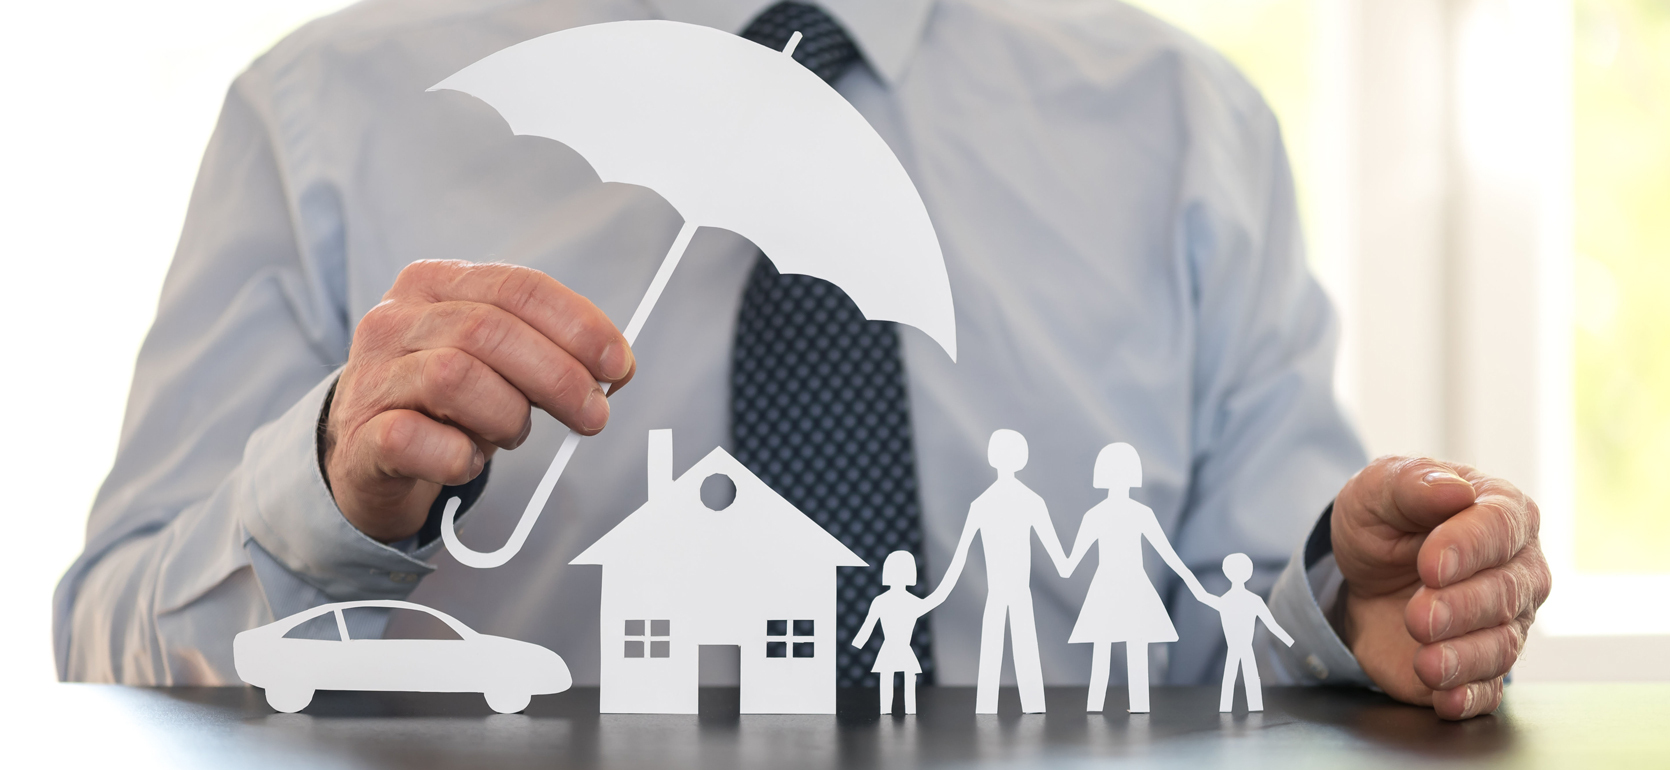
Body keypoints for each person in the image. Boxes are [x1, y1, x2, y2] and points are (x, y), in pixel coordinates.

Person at [54, 0, 1548, 721]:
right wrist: (325, 489)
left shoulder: (1184, 128)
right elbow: (107, 653)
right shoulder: (329, 112)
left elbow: (1254, 651)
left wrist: (1357, 610)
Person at [926, 430, 1069, 714]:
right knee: (1019, 650)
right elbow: (1062, 562)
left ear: (993, 457)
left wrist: (932, 599)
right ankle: (1024, 706)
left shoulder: (984, 504)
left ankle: (1001, 707)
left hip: (1003, 593)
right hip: (1011, 593)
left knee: (994, 652)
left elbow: (958, 560)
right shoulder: (1028, 502)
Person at [1061, 442, 1209, 714]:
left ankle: (1100, 707)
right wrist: (1195, 586)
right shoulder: (1138, 514)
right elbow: (1169, 556)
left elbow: (1068, 564)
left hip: (1116, 587)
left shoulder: (1098, 515)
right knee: (1131, 650)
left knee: (1107, 652)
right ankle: (1129, 706)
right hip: (1126, 587)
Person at [1198, 553, 1295, 712]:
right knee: (1238, 678)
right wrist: (1289, 641)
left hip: (1243, 647)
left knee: (1239, 678)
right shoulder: (1237, 600)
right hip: (1239, 647)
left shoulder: (1229, 600)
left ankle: (1238, 707)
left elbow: (1271, 624)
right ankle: (1232, 707)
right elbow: (1271, 625)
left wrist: (1290, 641)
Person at [852, 551, 942, 715]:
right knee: (887, 681)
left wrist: (952, 576)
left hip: (904, 649)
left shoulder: (910, 602)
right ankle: (886, 710)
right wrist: (856, 645)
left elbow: (938, 598)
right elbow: (868, 626)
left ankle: (909, 711)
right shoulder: (881, 601)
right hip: (889, 649)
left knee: (907, 683)